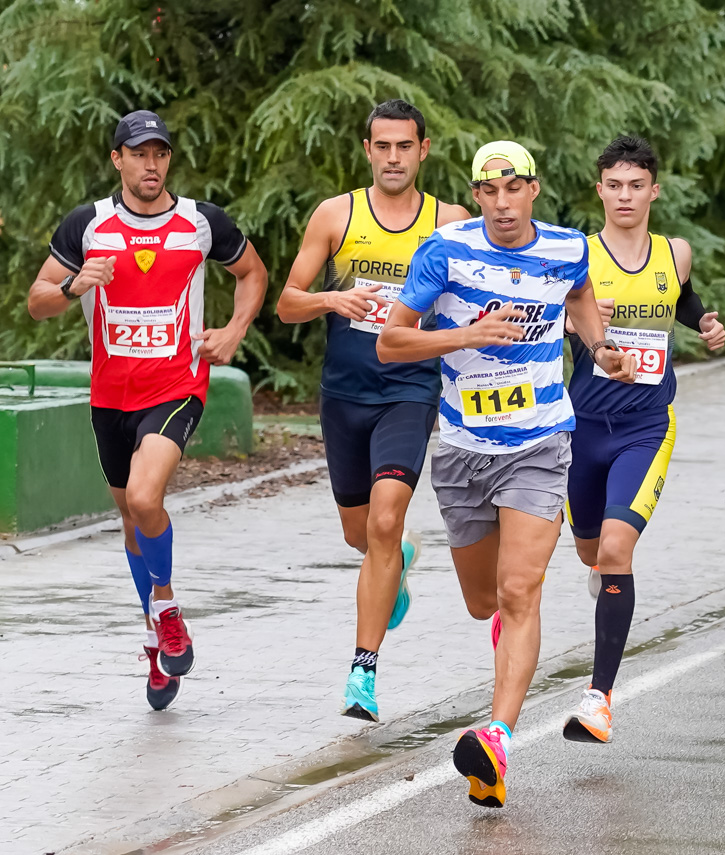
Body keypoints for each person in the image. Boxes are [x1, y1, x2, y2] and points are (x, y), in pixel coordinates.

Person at [377, 141, 635, 807]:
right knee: (483, 601)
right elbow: (391, 340)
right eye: (488, 192)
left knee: (521, 590)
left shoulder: (567, 248)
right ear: (476, 193)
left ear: (533, 190)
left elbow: (580, 298)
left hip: (540, 442)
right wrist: (464, 336)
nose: (500, 204)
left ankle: (497, 736)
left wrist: (599, 346)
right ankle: (470, 615)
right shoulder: (446, 250)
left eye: (512, 189)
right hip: (463, 449)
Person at [27, 110, 267, 709]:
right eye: (139, 154)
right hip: (110, 396)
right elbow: (36, 302)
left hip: (177, 384)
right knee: (132, 524)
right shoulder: (88, 226)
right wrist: (75, 286)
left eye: (160, 153)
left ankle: (165, 606)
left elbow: (252, 272)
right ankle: (160, 642)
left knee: (144, 498)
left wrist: (234, 330)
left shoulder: (200, 223)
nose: (151, 164)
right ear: (119, 161)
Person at [276, 100, 469, 722]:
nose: (393, 157)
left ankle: (363, 672)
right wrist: (334, 298)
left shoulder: (451, 222)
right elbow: (287, 303)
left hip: (410, 390)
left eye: (404, 147)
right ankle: (399, 559)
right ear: (368, 151)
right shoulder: (337, 215)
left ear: (423, 150)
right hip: (344, 395)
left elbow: (476, 303)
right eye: (382, 146)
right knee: (360, 533)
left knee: (384, 522)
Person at [559, 136, 725, 744]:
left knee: (616, 551)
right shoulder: (575, 255)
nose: (625, 196)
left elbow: (679, 298)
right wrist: (577, 320)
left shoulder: (674, 253)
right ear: (598, 189)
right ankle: (604, 578)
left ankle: (599, 699)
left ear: (654, 190)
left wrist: (704, 321)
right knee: (589, 553)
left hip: (646, 426)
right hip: (581, 428)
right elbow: (545, 322)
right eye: (614, 185)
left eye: (636, 185)